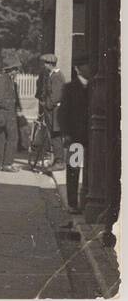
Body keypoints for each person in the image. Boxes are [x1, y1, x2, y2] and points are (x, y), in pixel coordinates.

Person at [57, 60, 89, 212]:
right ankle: (72, 203)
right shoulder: (70, 88)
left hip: (93, 137)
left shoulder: (96, 86)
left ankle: (86, 201)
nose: (88, 68)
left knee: (91, 169)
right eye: (85, 65)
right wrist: (66, 133)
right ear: (78, 69)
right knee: (73, 168)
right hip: (76, 137)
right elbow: (63, 113)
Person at [37, 53, 66, 165]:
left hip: (54, 111)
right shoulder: (51, 75)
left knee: (56, 136)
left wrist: (46, 104)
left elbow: (56, 96)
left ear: (50, 64)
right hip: (51, 111)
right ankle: (58, 160)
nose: (44, 65)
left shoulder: (57, 76)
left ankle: (59, 161)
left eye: (45, 63)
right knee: (54, 135)